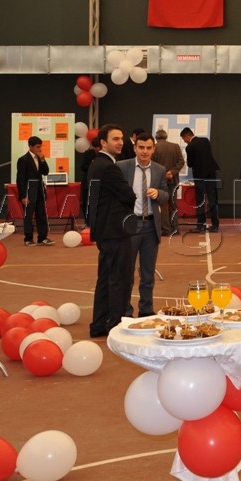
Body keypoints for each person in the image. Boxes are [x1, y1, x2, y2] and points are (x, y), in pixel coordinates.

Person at [87, 125, 137, 338]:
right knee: (120, 279)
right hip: (116, 231)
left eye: (121, 138)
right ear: (103, 142)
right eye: (115, 139)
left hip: (104, 231)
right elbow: (129, 196)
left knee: (105, 279)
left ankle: (99, 324)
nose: (120, 142)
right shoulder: (109, 167)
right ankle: (116, 325)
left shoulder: (96, 164)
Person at [119, 133, 169, 318]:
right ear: (135, 148)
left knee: (148, 274)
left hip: (150, 226)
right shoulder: (122, 167)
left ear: (153, 149)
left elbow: (166, 195)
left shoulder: (159, 170)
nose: (144, 151)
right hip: (130, 225)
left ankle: (146, 311)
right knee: (126, 272)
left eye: (148, 148)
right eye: (141, 147)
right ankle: (125, 311)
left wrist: (158, 193)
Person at [180, 127, 220, 232]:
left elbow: (190, 164)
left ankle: (201, 225)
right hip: (211, 173)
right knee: (213, 199)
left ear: (187, 136)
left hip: (199, 175)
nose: (185, 141)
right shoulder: (205, 140)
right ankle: (215, 225)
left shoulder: (189, 147)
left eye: (184, 139)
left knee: (200, 200)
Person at [16, 135, 52, 246]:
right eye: (37, 147)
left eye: (40, 146)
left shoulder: (40, 158)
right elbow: (20, 179)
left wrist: (43, 160)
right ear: (30, 147)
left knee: (41, 214)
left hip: (39, 191)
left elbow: (45, 172)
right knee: (28, 215)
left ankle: (42, 237)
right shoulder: (23, 160)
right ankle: (28, 238)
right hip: (28, 191)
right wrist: (23, 196)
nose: (39, 149)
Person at [151, 128, 184, 235]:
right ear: (166, 136)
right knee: (173, 205)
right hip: (173, 180)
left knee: (163, 205)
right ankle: (175, 228)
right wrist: (172, 172)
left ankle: (166, 229)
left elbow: (152, 164)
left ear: (156, 137)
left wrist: (163, 173)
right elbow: (181, 161)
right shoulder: (175, 146)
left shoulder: (154, 147)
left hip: (159, 180)